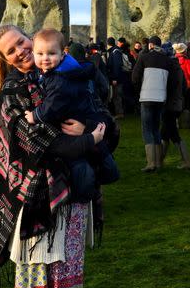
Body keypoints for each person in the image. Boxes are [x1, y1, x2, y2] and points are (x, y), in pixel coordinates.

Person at [0, 24, 105, 288]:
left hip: (65, 191)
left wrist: (92, 129)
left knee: (56, 265)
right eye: (12, 51)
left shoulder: (57, 75)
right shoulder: (13, 91)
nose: (22, 52)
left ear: (33, 38)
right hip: (36, 195)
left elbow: (100, 113)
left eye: (22, 42)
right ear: (5, 59)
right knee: (37, 267)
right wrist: (87, 142)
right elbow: (35, 143)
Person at [24, 29, 119, 201]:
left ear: (62, 55)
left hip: (77, 118)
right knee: (88, 155)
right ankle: (101, 175)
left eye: (51, 53)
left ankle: (85, 195)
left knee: (80, 164)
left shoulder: (61, 78)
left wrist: (35, 115)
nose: (45, 58)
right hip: (79, 120)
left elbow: (52, 106)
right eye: (40, 54)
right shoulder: (59, 71)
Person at [132, 35, 175, 172]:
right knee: (156, 128)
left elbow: (135, 77)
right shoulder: (168, 60)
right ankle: (158, 162)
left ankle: (151, 163)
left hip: (146, 96)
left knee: (147, 129)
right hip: (161, 97)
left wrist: (139, 91)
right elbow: (172, 82)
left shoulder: (144, 57)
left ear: (150, 45)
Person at [174, 42, 190, 129]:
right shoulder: (187, 61)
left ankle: (177, 123)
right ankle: (187, 123)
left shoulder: (173, 60)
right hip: (187, 85)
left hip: (176, 85)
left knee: (178, 104)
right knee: (187, 104)